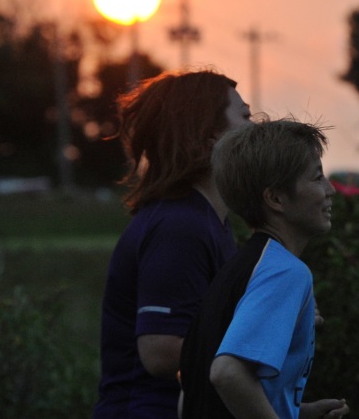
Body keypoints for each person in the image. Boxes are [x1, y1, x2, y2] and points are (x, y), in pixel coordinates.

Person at [93, 69, 253, 419]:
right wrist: (267, 334)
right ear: (211, 136)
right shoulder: (179, 227)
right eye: (245, 117)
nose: (256, 131)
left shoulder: (211, 222)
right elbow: (162, 352)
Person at [179, 119, 350, 419]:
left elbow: (189, 400)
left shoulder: (235, 272)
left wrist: (297, 412)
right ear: (276, 198)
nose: (330, 189)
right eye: (317, 178)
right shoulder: (285, 273)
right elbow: (227, 374)